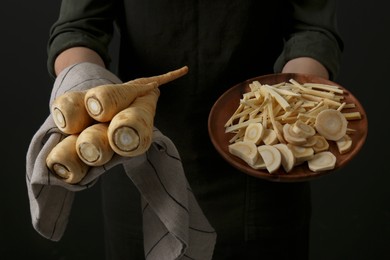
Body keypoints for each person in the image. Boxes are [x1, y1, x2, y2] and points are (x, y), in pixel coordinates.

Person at [45, 1, 343, 259]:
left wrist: (294, 102)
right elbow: (78, 28)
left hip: (263, 163)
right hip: (137, 160)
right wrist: (86, 91)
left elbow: (312, 29)